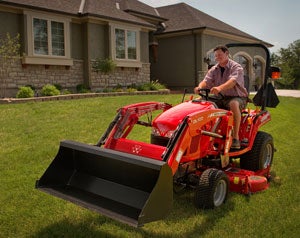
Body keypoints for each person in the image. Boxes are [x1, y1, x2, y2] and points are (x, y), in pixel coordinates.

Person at [194, 45, 248, 149]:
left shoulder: (236, 67)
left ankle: (235, 138)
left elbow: (232, 82)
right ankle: (202, 133)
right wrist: (199, 87)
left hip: (237, 97)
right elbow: (206, 81)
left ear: (227, 54)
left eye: (219, 55)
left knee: (233, 104)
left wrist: (219, 88)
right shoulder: (214, 69)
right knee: (198, 101)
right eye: (215, 56)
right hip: (221, 98)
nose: (217, 57)